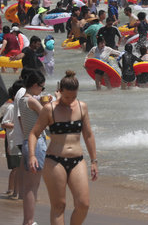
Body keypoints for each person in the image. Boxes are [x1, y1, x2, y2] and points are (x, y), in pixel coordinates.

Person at [28, 70, 98, 225]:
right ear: (59, 91)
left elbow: (88, 135)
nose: (70, 100)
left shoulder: (82, 107)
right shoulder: (49, 109)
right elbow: (34, 133)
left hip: (77, 160)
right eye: (67, 97)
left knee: (83, 204)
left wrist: (94, 161)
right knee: (59, 205)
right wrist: (32, 155)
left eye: (74, 97)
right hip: (55, 161)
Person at [18, 69, 48, 225]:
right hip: (36, 143)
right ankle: (29, 221)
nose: (42, 90)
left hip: (27, 142)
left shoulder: (22, 100)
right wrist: (48, 103)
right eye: (42, 87)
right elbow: (48, 116)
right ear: (35, 85)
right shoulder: (32, 101)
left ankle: (28, 220)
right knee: (32, 186)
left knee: (29, 185)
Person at [2, 83, 23, 200]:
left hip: (17, 140)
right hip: (13, 141)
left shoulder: (20, 107)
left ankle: (13, 190)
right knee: (16, 168)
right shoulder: (11, 107)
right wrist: (17, 125)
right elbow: (4, 123)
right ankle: (13, 191)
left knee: (17, 168)